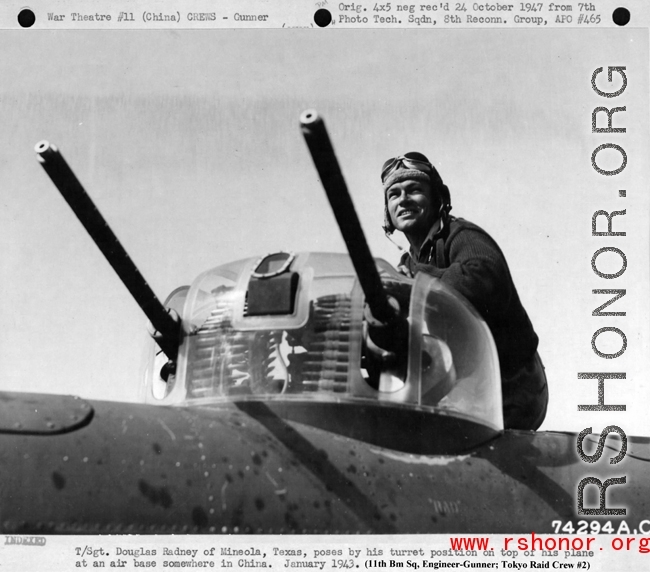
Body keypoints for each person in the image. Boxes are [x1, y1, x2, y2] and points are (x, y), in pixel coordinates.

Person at [375, 152, 548, 431]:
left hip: (512, 385)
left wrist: (416, 280)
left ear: (437, 198)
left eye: (415, 190)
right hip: (460, 383)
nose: (403, 199)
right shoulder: (408, 263)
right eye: (394, 194)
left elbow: (483, 280)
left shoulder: (462, 236)